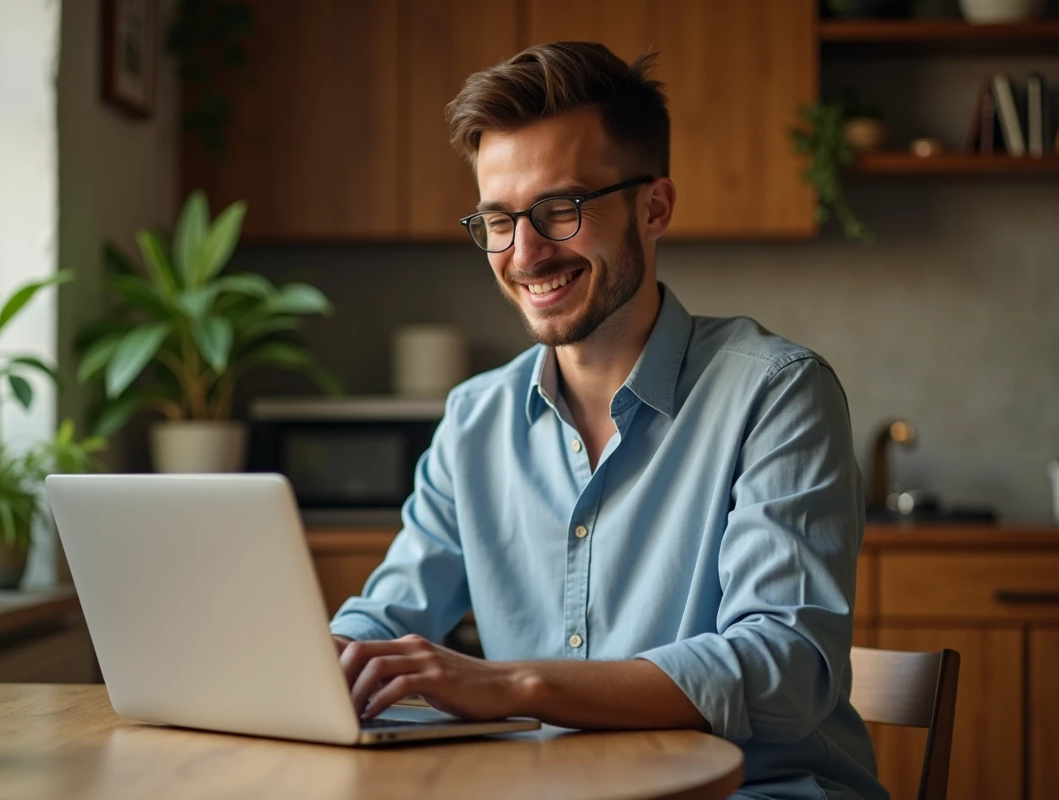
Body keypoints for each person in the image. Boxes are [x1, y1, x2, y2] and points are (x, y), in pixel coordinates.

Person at [328, 41, 886, 800]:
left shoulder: (777, 394)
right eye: (498, 220)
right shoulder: (474, 420)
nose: (524, 253)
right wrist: (318, 665)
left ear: (654, 207)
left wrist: (515, 686)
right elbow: (386, 618)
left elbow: (783, 666)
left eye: (559, 210)